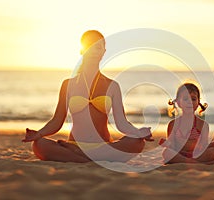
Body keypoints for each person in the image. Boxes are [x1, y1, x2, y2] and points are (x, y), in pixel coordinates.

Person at [22, 30, 153, 163]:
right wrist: (39, 133)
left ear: (103, 52)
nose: (94, 50)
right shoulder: (68, 84)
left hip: (103, 146)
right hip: (74, 145)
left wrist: (138, 132)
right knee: (39, 144)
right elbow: (57, 121)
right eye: (89, 45)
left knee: (137, 142)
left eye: (98, 46)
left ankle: (80, 158)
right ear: (82, 50)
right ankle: (91, 158)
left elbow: (122, 124)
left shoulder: (112, 86)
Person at [160, 83, 214, 164]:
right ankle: (195, 163)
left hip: (196, 155)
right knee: (166, 152)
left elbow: (203, 147)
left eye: (193, 99)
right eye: (186, 99)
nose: (190, 102)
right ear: (178, 102)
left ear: (198, 102)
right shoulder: (173, 124)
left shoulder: (202, 125)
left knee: (213, 152)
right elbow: (172, 146)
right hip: (179, 154)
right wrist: (166, 143)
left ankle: (190, 161)